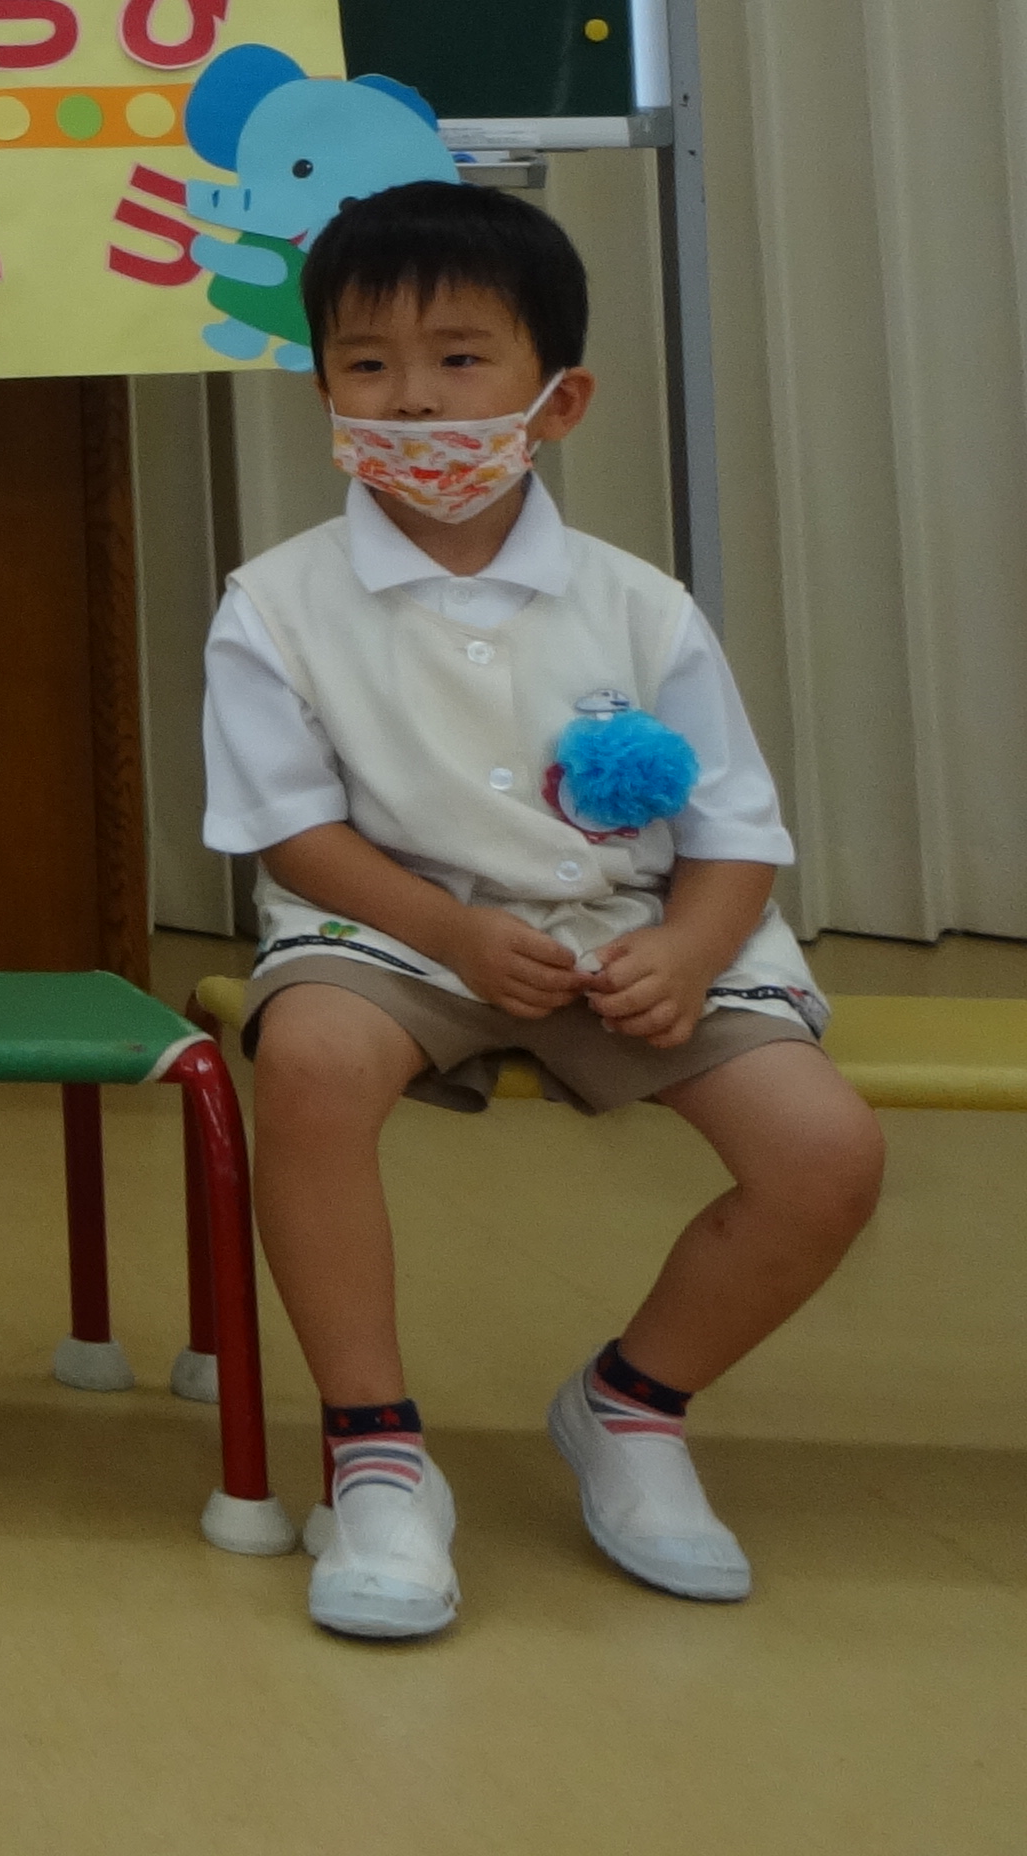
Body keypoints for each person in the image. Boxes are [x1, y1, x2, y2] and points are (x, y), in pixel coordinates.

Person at [205, 182, 883, 1644]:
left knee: (826, 1153)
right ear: (323, 387)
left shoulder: (640, 603)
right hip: (392, 935)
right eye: (369, 362)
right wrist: (448, 938)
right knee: (313, 1065)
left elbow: (736, 831)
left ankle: (632, 1408)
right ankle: (374, 1447)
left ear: (556, 398)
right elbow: (289, 835)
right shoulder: (275, 602)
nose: (413, 397)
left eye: (462, 359)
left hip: (632, 932)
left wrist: (695, 950)